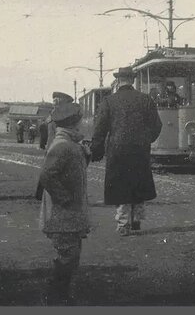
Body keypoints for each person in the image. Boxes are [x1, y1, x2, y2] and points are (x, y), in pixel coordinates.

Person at [90, 67, 162, 236]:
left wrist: (97, 150)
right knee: (138, 183)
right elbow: (157, 125)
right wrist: (146, 140)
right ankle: (136, 219)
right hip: (140, 149)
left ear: (118, 81)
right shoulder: (146, 100)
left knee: (121, 186)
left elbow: (100, 128)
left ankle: (123, 224)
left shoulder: (109, 101)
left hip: (117, 149)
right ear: (133, 80)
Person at [37, 101, 90, 305]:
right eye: (80, 120)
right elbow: (47, 175)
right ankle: (55, 297)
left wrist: (85, 155)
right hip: (63, 212)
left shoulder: (68, 144)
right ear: (73, 123)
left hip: (68, 212)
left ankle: (60, 295)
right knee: (67, 255)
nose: (83, 123)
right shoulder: (63, 146)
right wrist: (64, 199)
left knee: (71, 254)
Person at [36, 91, 76, 200]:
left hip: (52, 145)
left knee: (50, 169)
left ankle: (41, 194)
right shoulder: (60, 116)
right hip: (57, 146)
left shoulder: (52, 115)